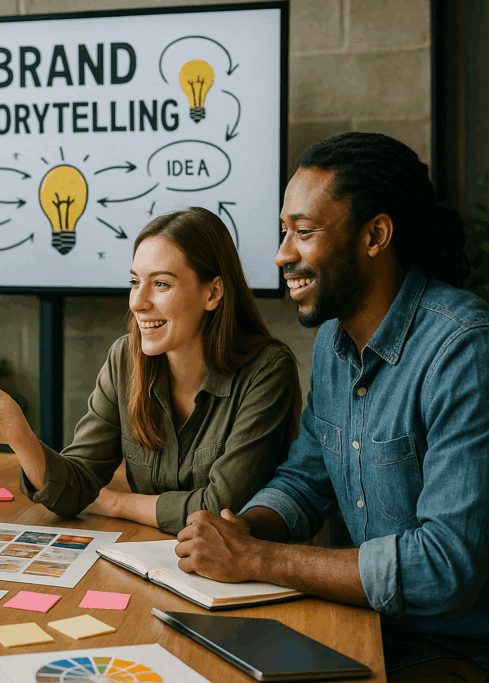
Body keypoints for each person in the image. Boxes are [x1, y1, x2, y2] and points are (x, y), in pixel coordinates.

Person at [175, 133, 489, 682]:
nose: (282, 255)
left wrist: (259, 560)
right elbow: (305, 479)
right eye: (282, 232)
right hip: (357, 627)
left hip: (451, 654)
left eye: (305, 231)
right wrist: (240, 531)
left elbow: (444, 566)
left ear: (375, 235)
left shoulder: (465, 349)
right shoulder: (332, 345)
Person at [0, 207, 302, 534]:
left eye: (161, 284)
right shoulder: (125, 358)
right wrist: (20, 436)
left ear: (212, 293)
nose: (137, 301)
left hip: (236, 579)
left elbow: (221, 510)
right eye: (135, 282)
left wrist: (117, 502)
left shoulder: (267, 371)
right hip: (147, 556)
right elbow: (74, 490)